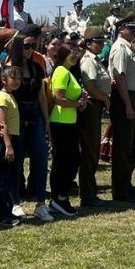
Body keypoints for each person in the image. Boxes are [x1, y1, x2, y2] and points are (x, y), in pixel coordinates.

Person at [5, 29, 53, 221]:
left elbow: (41, 95)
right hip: (16, 117)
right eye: (26, 46)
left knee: (41, 158)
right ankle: (15, 202)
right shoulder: (9, 67)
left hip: (35, 117)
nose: (30, 50)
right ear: (18, 45)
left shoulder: (37, 67)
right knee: (16, 162)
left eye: (33, 46)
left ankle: (41, 203)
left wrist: (46, 120)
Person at [107, 16, 135, 203]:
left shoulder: (127, 47)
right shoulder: (120, 48)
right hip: (123, 99)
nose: (134, 32)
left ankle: (125, 185)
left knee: (128, 145)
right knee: (122, 146)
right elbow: (119, 77)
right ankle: (120, 190)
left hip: (130, 97)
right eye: (131, 28)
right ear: (121, 29)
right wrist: (128, 104)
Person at [48, 45, 85, 217]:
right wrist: (77, 103)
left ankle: (60, 197)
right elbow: (59, 99)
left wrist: (79, 101)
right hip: (61, 122)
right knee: (66, 162)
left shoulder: (68, 72)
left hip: (69, 122)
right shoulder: (61, 72)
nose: (76, 56)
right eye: (73, 53)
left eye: (77, 53)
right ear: (63, 55)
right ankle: (59, 197)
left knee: (68, 161)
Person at [77, 27, 111, 206]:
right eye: (98, 42)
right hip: (91, 106)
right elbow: (90, 86)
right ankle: (87, 194)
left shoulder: (96, 60)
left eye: (102, 42)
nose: (101, 45)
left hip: (96, 106)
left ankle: (91, 190)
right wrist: (105, 98)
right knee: (89, 151)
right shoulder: (88, 61)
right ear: (89, 43)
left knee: (92, 151)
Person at [0, 66, 22, 227]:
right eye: (13, 78)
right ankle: (0, 214)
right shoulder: (3, 97)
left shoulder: (9, 95)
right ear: (4, 80)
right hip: (4, 141)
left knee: (9, 177)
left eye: (18, 79)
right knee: (2, 179)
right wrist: (8, 146)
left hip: (12, 139)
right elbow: (2, 124)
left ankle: (6, 210)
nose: (16, 82)